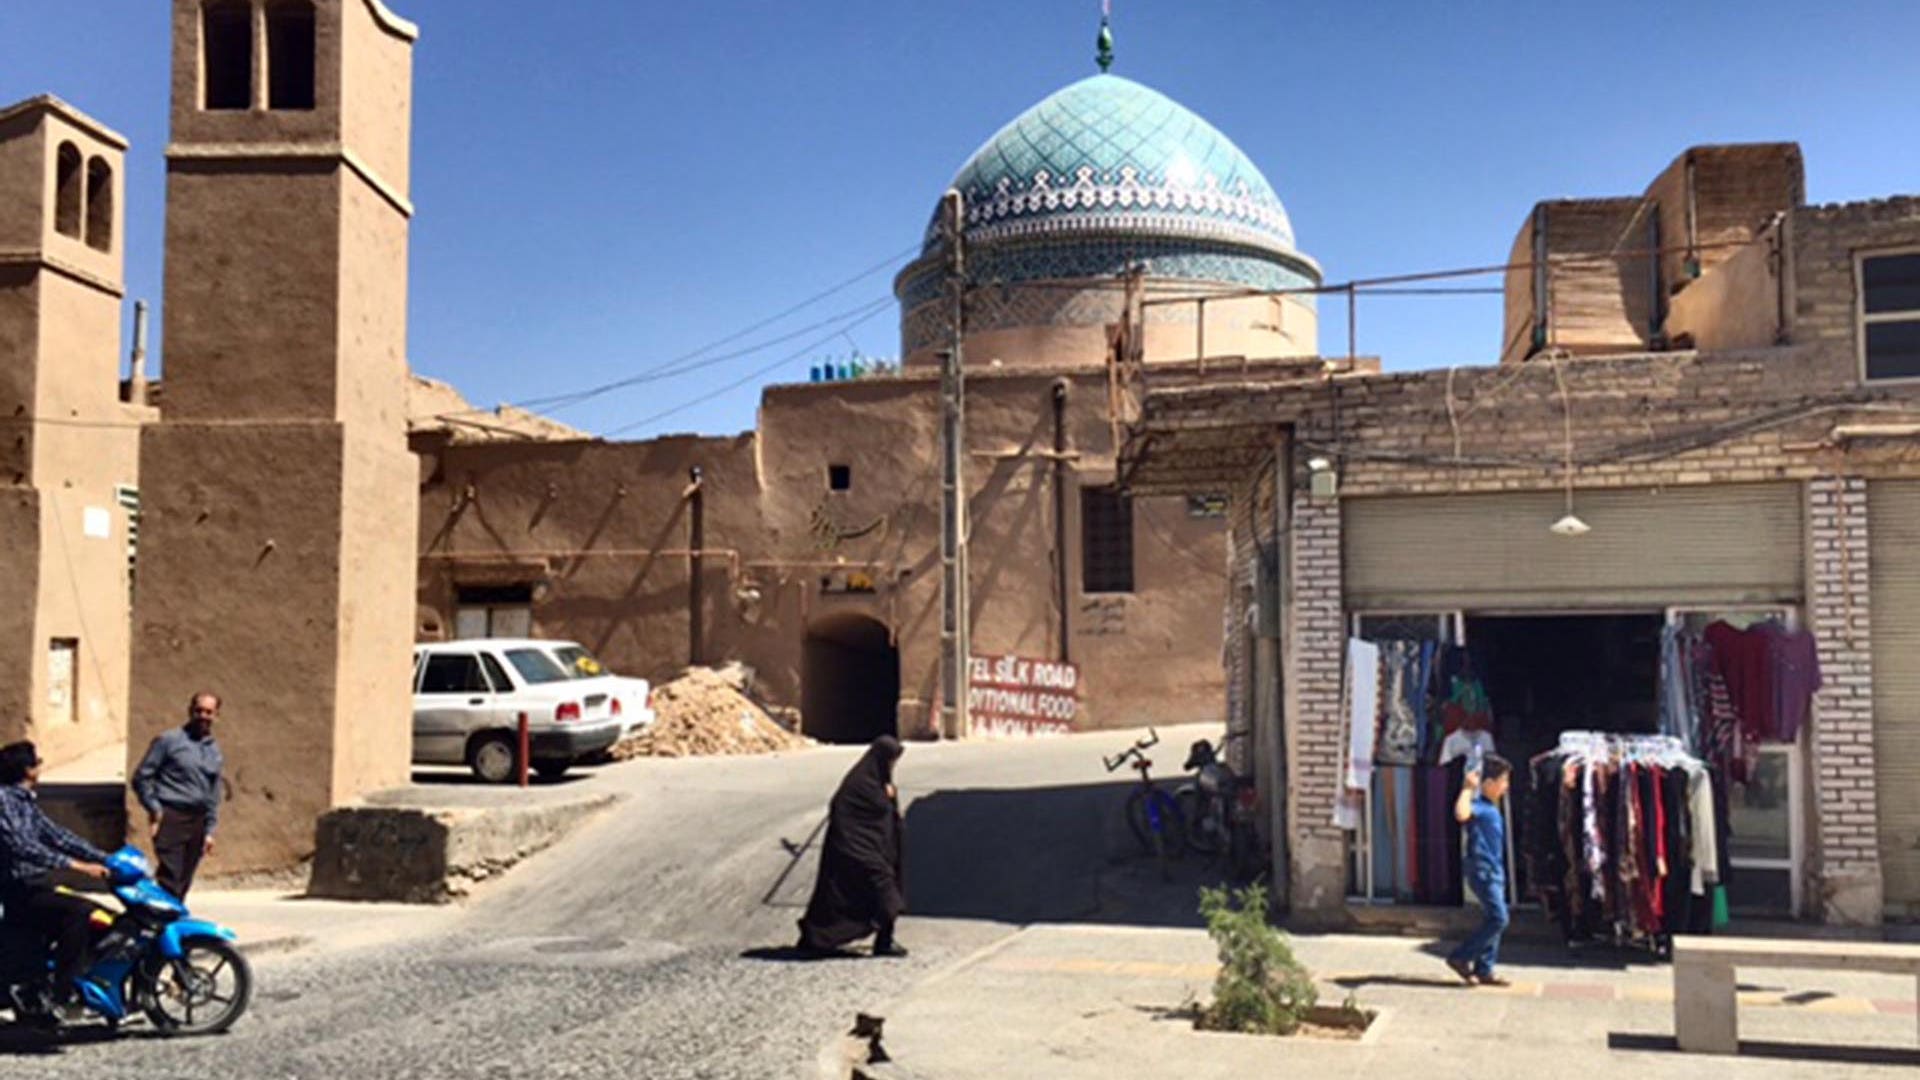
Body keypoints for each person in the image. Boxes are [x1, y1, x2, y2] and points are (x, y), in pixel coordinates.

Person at [0, 740, 112, 1017]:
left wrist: (106, 858)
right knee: (80, 913)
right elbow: (20, 845)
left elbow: (57, 836)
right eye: (36, 761)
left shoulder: (25, 801)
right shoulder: (4, 800)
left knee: (99, 916)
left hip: (36, 884)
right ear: (27, 769)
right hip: (19, 889)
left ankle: (56, 982)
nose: (40, 766)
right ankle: (64, 992)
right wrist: (77, 866)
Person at [796, 735, 908, 958]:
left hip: (878, 851)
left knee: (881, 892)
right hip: (853, 851)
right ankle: (819, 936)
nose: (892, 766)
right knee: (883, 894)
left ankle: (883, 940)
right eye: (891, 760)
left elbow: (886, 819)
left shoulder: (880, 784)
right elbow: (842, 812)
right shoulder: (858, 785)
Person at [133, 691, 226, 898]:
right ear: (190, 711)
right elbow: (142, 777)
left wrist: (209, 830)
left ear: (216, 716)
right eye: (199, 710)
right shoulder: (168, 741)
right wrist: (155, 810)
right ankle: (161, 923)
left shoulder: (214, 750)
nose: (203, 715)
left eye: (209, 712)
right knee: (170, 877)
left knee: (184, 879)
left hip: (198, 821)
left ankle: (170, 920)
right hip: (172, 816)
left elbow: (213, 793)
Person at [1446, 753, 1512, 988]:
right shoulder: (1480, 807)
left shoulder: (1491, 809)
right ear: (1489, 784)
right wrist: (1466, 788)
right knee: (1499, 918)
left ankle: (1485, 968)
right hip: (1483, 870)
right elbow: (1461, 813)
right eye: (1503, 781)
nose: (1506, 787)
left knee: (1494, 917)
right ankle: (1461, 956)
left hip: (1495, 870)